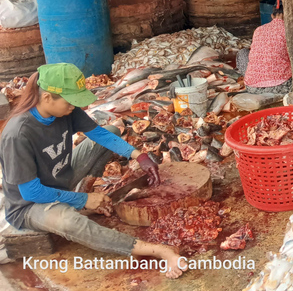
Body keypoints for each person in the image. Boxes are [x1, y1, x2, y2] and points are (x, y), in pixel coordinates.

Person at [0, 63, 186, 278]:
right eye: (71, 102)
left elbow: (101, 135)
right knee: (69, 222)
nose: (73, 107)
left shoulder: (66, 110)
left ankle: (78, 202)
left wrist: (139, 156)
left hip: (60, 180)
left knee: (111, 129)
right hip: (29, 205)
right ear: (48, 97)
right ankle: (157, 250)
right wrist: (82, 199)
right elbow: (31, 192)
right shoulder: (18, 134)